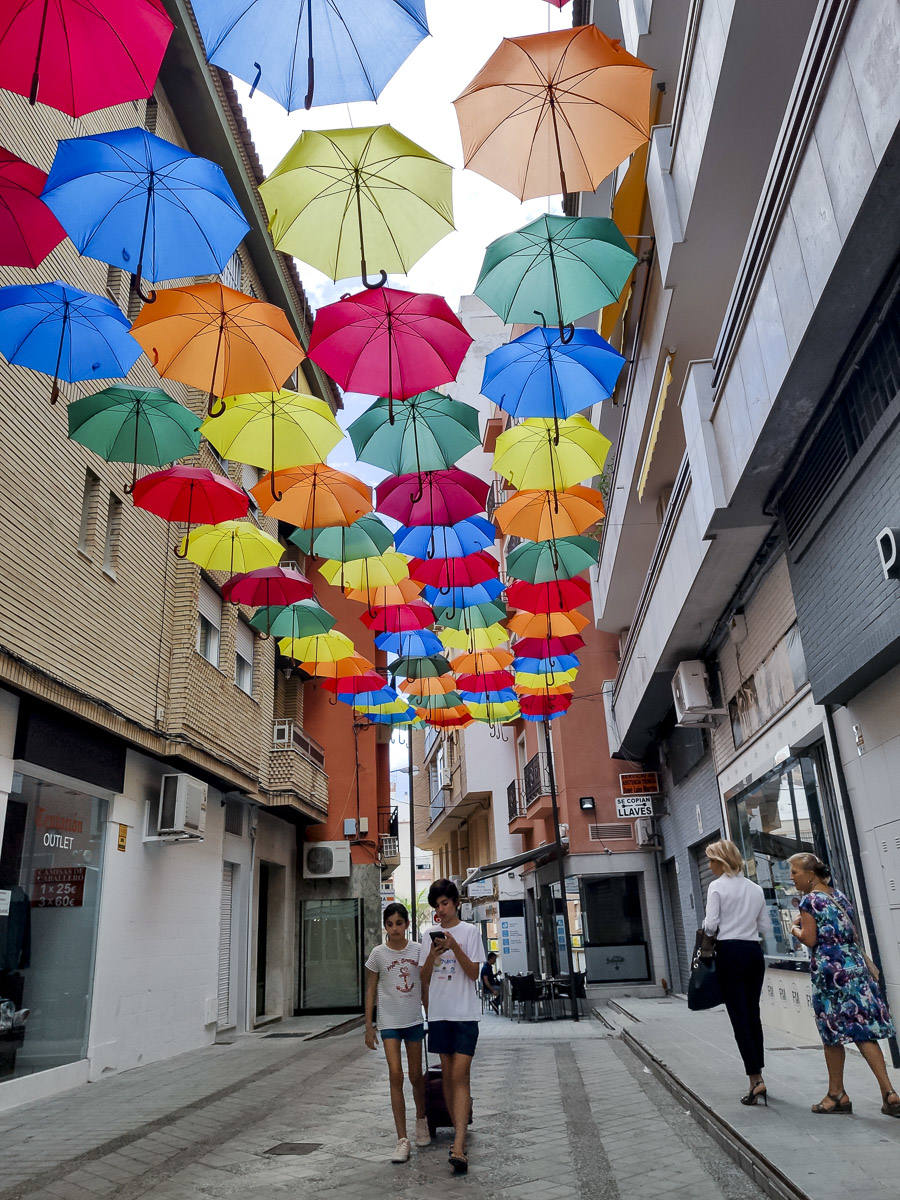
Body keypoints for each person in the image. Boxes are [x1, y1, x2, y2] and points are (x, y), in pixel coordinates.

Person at [789, 852, 900, 1117]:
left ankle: (836, 1095)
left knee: (831, 1033)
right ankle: (889, 1093)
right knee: (863, 1031)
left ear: (810, 874)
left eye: (794, 872)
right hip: (855, 968)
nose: (791, 878)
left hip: (830, 972)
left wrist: (793, 929)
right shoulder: (839, 896)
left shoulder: (809, 901)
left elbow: (810, 939)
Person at [420, 878, 484, 1175]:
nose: (441, 909)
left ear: (456, 903)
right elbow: (424, 978)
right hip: (440, 1013)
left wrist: (454, 945)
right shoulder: (426, 936)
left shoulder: (470, 932)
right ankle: (460, 1133)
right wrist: (432, 956)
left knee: (459, 1075)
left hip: (465, 1014)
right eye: (436, 905)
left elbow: (473, 973)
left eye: (445, 903)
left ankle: (458, 1143)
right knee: (449, 1076)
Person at [702, 839, 772, 1106]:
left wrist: (713, 932)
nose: (708, 866)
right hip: (753, 953)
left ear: (721, 861)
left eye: (711, 860)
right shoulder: (755, 889)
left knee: (739, 1016)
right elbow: (765, 925)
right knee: (753, 1014)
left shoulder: (717, 887)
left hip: (730, 952)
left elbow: (711, 925)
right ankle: (759, 1075)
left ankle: (755, 1079)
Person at [364, 902, 431, 1164]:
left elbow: (424, 984)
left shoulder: (418, 950)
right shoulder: (378, 954)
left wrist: (430, 1014)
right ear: (385, 926)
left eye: (399, 923)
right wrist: (368, 1025)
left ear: (407, 924)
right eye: (390, 924)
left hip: (413, 1020)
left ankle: (421, 1120)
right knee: (395, 1074)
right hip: (389, 1022)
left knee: (416, 1075)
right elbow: (370, 989)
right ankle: (402, 1139)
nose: (394, 929)